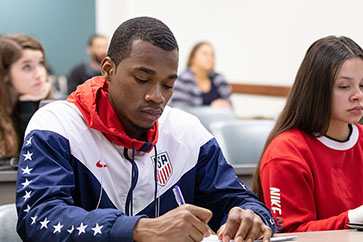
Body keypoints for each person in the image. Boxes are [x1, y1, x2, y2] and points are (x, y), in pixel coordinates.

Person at [16, 17, 275, 242]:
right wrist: (138, 230)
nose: (157, 96)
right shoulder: (56, 125)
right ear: (108, 69)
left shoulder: (188, 133)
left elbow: (239, 200)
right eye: (142, 79)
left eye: (168, 85)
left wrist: (251, 216)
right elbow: (39, 218)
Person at [252, 36, 363, 233]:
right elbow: (289, 232)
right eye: (345, 86)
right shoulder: (286, 152)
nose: (358, 95)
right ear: (317, 90)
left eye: (362, 85)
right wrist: (354, 218)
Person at [0, 34, 50, 162]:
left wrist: (27, 104)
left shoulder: (31, 103)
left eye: (41, 63)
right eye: (27, 67)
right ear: (5, 73)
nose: (39, 74)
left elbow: (39, 155)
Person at [169, 41, 232, 108]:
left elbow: (230, 107)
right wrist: (211, 109)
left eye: (212, 55)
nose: (209, 58)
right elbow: (180, 109)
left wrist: (225, 105)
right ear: (193, 57)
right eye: (205, 54)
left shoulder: (220, 79)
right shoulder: (183, 80)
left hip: (220, 118)